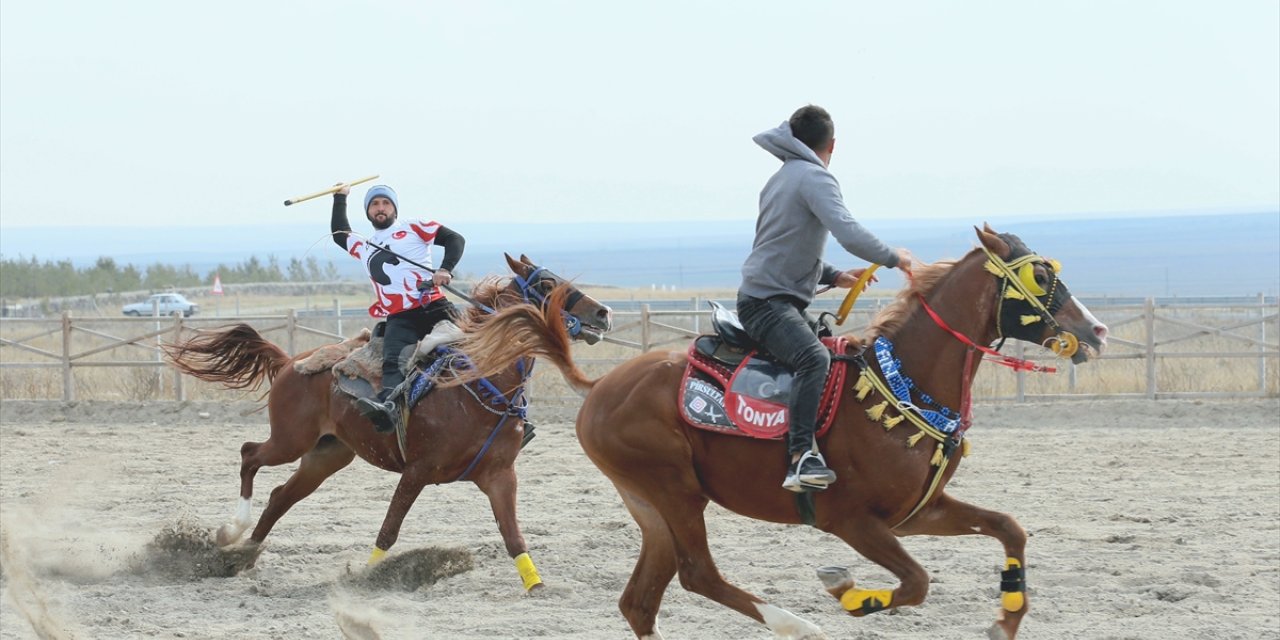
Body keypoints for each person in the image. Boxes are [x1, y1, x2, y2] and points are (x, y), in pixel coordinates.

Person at [737, 105, 914, 493]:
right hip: (769, 304)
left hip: (765, 296)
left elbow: (784, 246)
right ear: (833, 144)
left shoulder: (782, 177)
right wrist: (893, 257)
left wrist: (834, 275)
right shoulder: (815, 178)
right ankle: (800, 457)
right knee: (813, 358)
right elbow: (848, 233)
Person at [331, 183, 465, 432]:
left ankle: (508, 413)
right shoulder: (364, 246)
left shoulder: (414, 227)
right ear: (368, 212)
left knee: (473, 348)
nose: (380, 208)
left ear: (394, 208)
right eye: (374, 204)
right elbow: (339, 234)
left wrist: (445, 269)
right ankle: (388, 411)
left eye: (385, 203)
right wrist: (340, 197)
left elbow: (454, 239)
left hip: (433, 305)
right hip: (400, 317)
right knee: (392, 364)